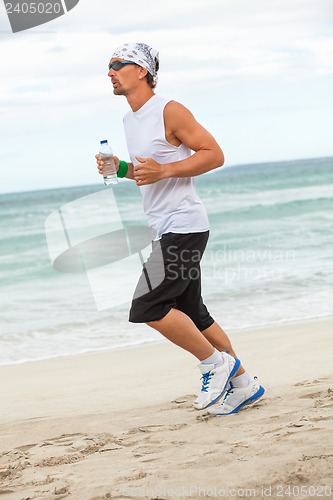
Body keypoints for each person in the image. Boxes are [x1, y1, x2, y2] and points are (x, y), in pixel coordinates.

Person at [96, 42, 264, 415]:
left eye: (117, 64)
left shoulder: (169, 109)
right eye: (108, 66)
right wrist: (120, 169)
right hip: (164, 226)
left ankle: (215, 364)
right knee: (194, 312)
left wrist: (167, 170)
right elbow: (149, 171)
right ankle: (243, 385)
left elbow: (214, 154)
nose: (109, 71)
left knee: (148, 306)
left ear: (141, 71)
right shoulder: (130, 119)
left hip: (184, 225)